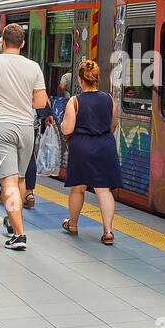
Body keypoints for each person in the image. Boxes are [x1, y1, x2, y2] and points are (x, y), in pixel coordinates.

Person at [0, 23, 47, 251]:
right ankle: (14, 220)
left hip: (0, 126)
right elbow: (40, 103)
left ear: (3, 41)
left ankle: (19, 234)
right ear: (23, 44)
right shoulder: (33, 67)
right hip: (26, 128)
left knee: (8, 181)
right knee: (21, 179)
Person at [60, 60, 122, 245]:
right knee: (104, 190)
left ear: (80, 80)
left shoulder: (75, 101)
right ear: (96, 78)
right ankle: (108, 231)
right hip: (105, 146)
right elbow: (113, 125)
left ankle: (72, 224)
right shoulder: (109, 99)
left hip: (81, 148)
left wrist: (64, 124)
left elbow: (67, 129)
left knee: (78, 188)